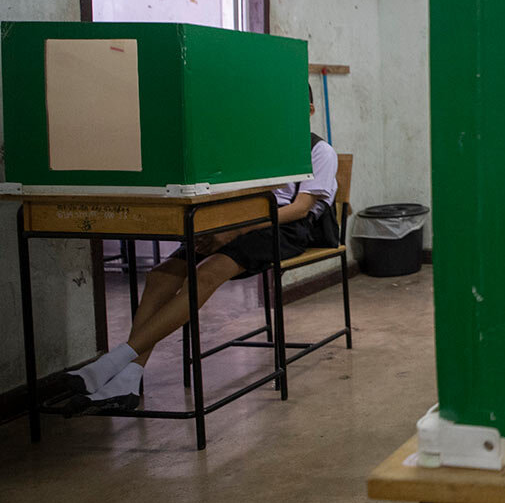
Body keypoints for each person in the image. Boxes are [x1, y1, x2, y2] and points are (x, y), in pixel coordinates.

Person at [63, 85, 340, 415]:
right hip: (242, 221)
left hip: (282, 229)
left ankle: (110, 364)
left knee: (207, 273)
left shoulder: (320, 151)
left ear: (309, 109)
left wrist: (233, 231)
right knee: (159, 277)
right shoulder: (259, 144)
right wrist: (221, 226)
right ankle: (127, 378)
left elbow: (299, 209)